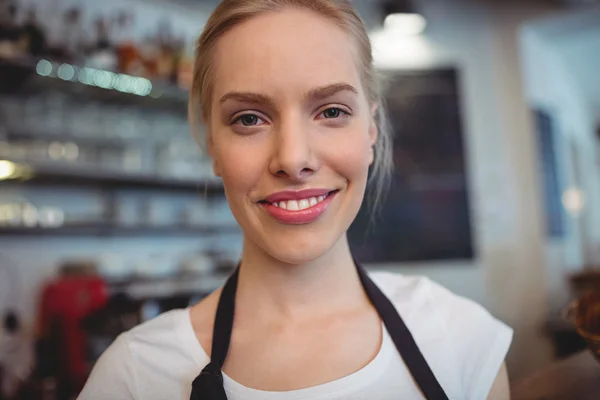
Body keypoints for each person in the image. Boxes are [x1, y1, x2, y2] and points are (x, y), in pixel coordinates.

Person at [78, 1, 512, 399]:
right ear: (213, 144)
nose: (292, 158)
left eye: (331, 111)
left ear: (371, 132)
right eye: (249, 118)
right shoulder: (135, 375)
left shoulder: (464, 342)